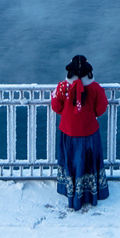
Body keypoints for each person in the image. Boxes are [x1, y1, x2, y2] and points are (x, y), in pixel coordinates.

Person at [50, 54, 109, 211]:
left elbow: (56, 106)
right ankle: (90, 194)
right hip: (89, 132)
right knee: (88, 163)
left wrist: (68, 114)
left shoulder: (62, 87)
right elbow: (101, 108)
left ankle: (71, 191)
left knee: (71, 163)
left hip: (68, 132)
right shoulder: (95, 88)